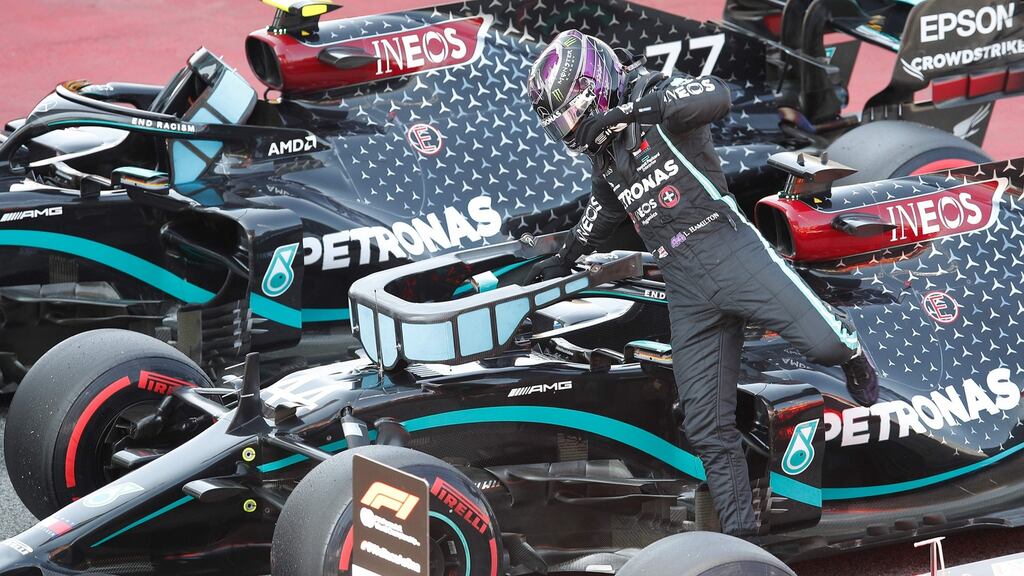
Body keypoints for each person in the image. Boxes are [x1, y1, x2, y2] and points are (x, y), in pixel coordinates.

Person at [525, 30, 879, 537]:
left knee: (825, 345)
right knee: (706, 425)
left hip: (731, 250)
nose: (571, 130)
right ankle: (740, 539)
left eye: (571, 116)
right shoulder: (604, 155)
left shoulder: (656, 94)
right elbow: (602, 213)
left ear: (595, 88)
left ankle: (852, 350)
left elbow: (717, 95)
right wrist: (563, 259)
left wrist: (626, 113)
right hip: (684, 285)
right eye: (560, 124)